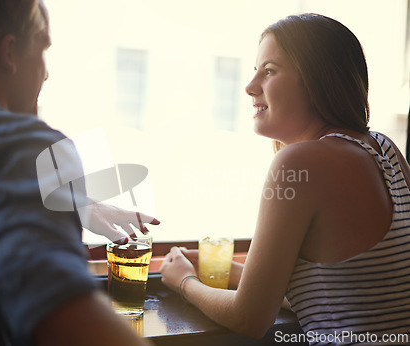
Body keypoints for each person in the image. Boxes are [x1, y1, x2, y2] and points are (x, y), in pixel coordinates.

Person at [0, 1, 158, 345]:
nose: (44, 73)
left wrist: (80, 205)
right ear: (9, 52)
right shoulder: (31, 150)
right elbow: (66, 321)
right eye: (42, 49)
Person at [160, 13, 410, 345]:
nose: (250, 87)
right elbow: (352, 294)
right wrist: (238, 274)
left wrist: (183, 282)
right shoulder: (384, 148)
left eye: (269, 71)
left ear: (317, 80)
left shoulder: (300, 162)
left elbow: (248, 319)